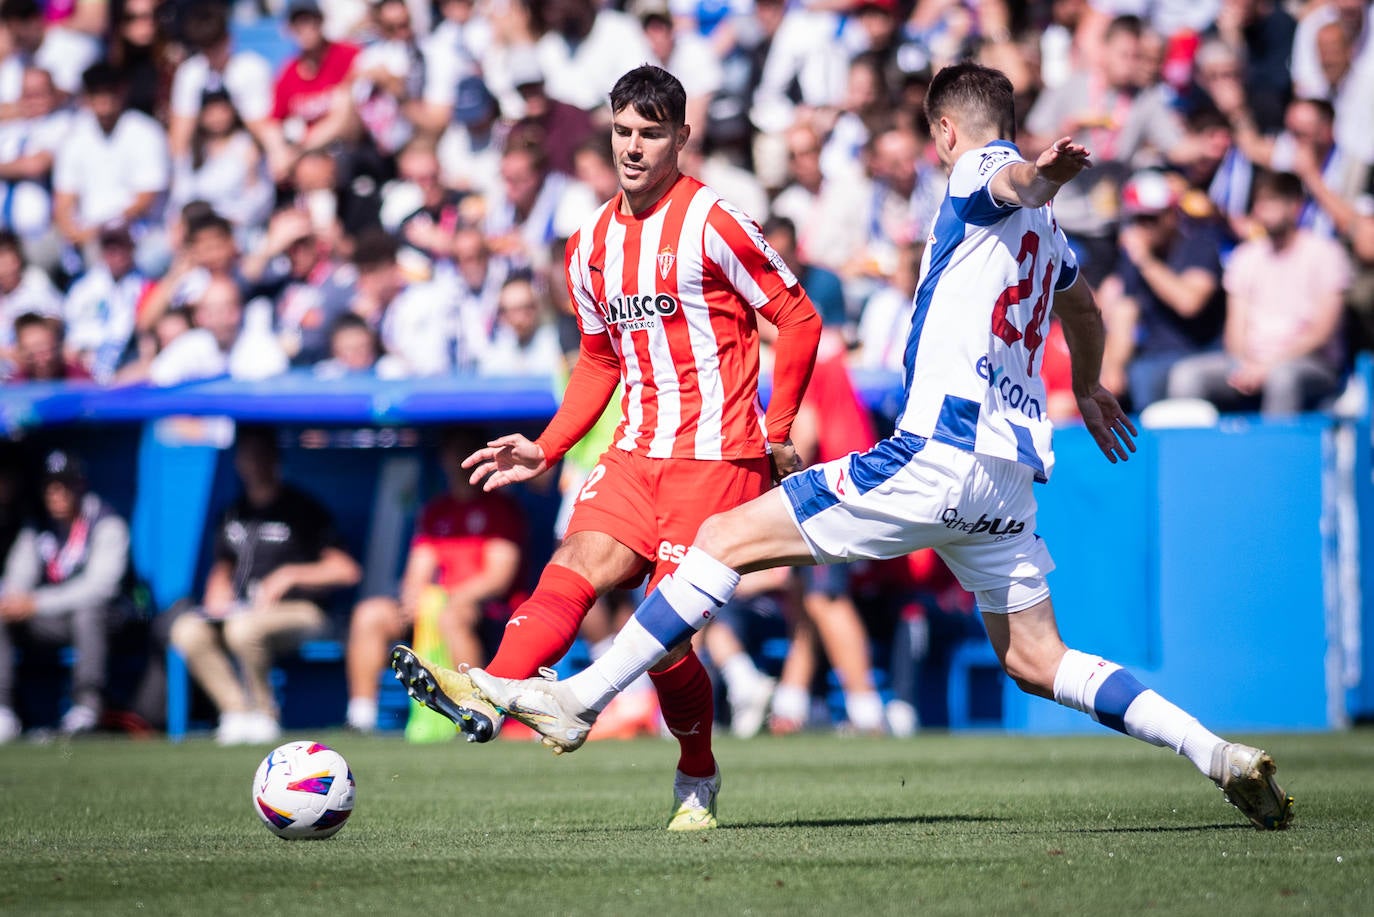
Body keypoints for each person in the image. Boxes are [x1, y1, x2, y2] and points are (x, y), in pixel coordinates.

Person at [463, 62, 1294, 834]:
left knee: (718, 542)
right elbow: (1084, 310)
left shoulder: (980, 176)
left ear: (942, 133)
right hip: (1006, 482)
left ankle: (578, 697)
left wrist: (1044, 172)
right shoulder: (1048, 235)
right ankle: (1212, 750)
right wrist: (1088, 383)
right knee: (1040, 659)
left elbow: (1012, 178)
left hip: (937, 452)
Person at [391, 64, 822, 831]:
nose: (633, 146)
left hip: (718, 458)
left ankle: (697, 773)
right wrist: (551, 446)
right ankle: (489, 689)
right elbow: (599, 359)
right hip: (631, 451)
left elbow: (798, 318)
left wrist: (780, 428)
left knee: (665, 643)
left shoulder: (714, 222)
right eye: (622, 130)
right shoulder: (588, 241)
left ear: (681, 138)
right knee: (571, 568)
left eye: (651, 133)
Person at [166, 426, 361, 745]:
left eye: (261, 454)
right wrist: (217, 590)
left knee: (244, 629)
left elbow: (346, 571)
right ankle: (235, 711)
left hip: (303, 612)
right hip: (242, 610)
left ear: (275, 458)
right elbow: (222, 567)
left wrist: (290, 575)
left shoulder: (303, 509)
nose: (254, 463)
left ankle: (264, 713)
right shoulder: (232, 513)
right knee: (186, 630)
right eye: (247, 455)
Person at [344, 429, 525, 733]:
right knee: (370, 614)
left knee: (451, 616)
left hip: (482, 610)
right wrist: (414, 599)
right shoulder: (435, 511)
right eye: (452, 453)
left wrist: (446, 597)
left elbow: (497, 578)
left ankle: (474, 710)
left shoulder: (501, 509)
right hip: (433, 606)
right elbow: (417, 572)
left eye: (466, 452)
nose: (459, 461)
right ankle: (361, 717)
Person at [1167, 169, 1350, 416]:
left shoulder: (1326, 254)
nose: (1264, 211)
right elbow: (1236, 328)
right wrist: (1243, 364)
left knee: (1282, 378)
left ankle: (1275, 453)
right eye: (1260, 204)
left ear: (1295, 206)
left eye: (1272, 203)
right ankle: (1198, 454)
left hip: (1310, 364)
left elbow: (1321, 333)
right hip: (1249, 362)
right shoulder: (1246, 257)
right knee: (1186, 376)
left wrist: (1269, 365)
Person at [0, 450, 135, 740]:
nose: (56, 493)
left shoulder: (106, 522)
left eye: (63, 485)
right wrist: (13, 599)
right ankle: (4, 710)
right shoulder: (38, 528)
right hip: (53, 620)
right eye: (50, 486)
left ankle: (87, 705)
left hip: (110, 618)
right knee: (3, 613)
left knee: (88, 611)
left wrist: (36, 603)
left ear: (80, 485)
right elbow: (18, 576)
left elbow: (101, 587)